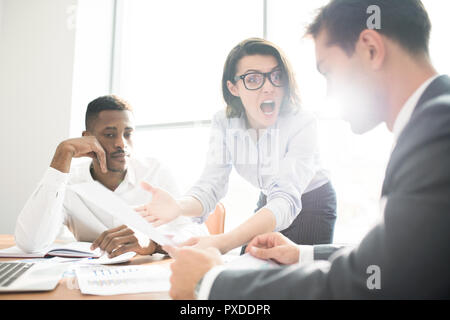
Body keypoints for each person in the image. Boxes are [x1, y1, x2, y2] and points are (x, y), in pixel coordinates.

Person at [166, 0, 450, 299]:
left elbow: (367, 285)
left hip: (312, 201)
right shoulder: (432, 124)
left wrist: (211, 283)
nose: (328, 92)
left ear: (370, 48)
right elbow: (396, 255)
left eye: (327, 71)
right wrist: (303, 253)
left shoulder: (436, 133)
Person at [136, 38, 337, 255]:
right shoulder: (224, 123)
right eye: (253, 79)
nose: (269, 87)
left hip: (313, 201)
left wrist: (223, 242)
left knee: (297, 280)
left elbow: (287, 197)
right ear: (233, 88)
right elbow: (210, 186)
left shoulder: (303, 122)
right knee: (247, 266)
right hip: (270, 198)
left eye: (277, 76)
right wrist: (178, 206)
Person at [14, 95, 208, 258]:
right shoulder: (69, 183)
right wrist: (63, 154)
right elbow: (31, 243)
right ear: (87, 137)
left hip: (149, 277)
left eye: (128, 134)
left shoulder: (156, 172)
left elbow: (197, 233)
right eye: (109, 134)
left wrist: (152, 243)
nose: (121, 144)